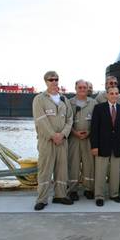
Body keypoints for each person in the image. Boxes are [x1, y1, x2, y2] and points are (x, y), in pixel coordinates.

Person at [32, 71, 73, 211]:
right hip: (47, 141)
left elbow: (70, 120)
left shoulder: (64, 100)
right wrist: (53, 135)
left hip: (62, 140)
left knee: (62, 169)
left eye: (56, 79)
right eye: (51, 80)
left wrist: (62, 135)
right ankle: (42, 199)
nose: (54, 82)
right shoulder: (39, 99)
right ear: (46, 82)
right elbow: (40, 120)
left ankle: (60, 195)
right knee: (45, 169)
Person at [90, 86, 120, 207]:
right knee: (101, 172)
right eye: (111, 93)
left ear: (118, 95)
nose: (114, 95)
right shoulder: (99, 108)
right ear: (107, 95)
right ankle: (99, 196)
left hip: (117, 146)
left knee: (115, 172)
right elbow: (94, 129)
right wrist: (94, 146)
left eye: (116, 93)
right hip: (102, 145)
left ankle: (114, 194)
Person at [67, 80, 97, 201]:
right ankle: (73, 190)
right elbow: (66, 121)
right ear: (75, 88)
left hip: (88, 138)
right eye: (80, 87)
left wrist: (89, 132)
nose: (82, 89)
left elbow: (96, 122)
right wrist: (74, 132)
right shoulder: (69, 103)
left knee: (89, 164)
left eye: (85, 87)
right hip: (74, 138)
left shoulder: (93, 103)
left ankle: (88, 189)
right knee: (73, 164)